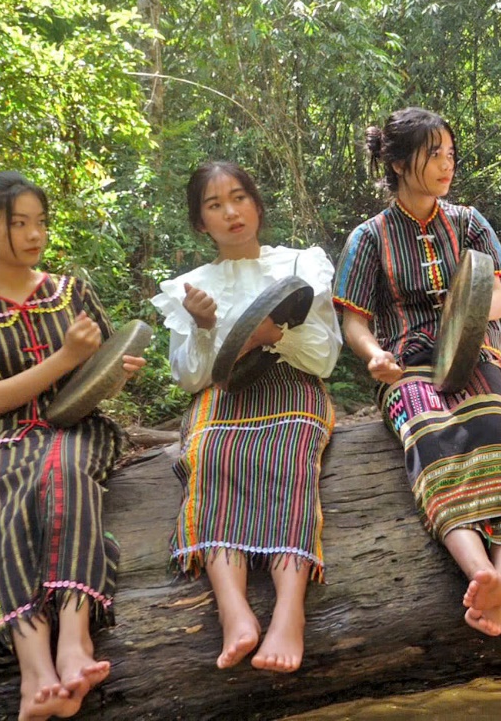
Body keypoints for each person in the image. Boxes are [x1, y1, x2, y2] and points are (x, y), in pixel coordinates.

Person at [0, 172, 143, 720]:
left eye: (40, 222)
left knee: (64, 473)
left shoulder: (71, 292)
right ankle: (34, 670)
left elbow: (100, 374)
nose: (34, 234)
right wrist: (66, 358)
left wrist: (120, 371)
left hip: (75, 430)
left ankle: (75, 642)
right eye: (18, 223)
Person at [334, 108, 501, 637]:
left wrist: (475, 313)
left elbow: (496, 293)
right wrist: (372, 356)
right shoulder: (368, 237)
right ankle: (479, 572)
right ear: (396, 161)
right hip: (406, 367)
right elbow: (354, 321)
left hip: (476, 355)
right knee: (430, 435)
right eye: (433, 154)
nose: (446, 164)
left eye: (450, 154)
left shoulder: (469, 222)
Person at [150, 161, 340, 673]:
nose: (231, 212)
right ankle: (234, 612)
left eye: (239, 198)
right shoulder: (190, 287)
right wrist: (205, 326)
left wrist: (275, 335)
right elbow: (191, 378)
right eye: (214, 205)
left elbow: (324, 358)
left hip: (291, 385)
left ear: (257, 203)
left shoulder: (302, 263)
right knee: (209, 454)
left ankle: (288, 611)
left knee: (290, 453)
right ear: (199, 223)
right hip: (223, 394)